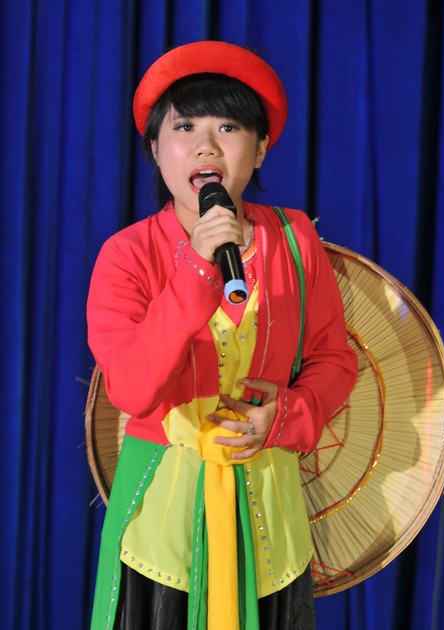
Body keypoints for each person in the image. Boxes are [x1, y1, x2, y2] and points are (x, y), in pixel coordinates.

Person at [87, 41, 358, 630]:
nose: (206, 145)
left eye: (228, 127)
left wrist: (286, 416)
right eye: (184, 127)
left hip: (270, 519)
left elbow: (335, 359)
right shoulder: (125, 255)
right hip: (162, 525)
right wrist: (196, 269)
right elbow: (130, 388)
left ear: (259, 150)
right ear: (155, 149)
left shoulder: (294, 240)